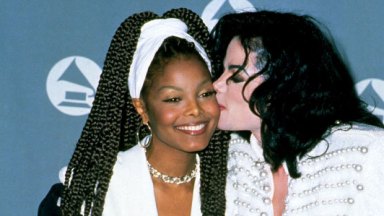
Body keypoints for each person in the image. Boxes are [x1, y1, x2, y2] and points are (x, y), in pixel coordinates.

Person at [38, 8, 229, 216]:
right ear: (141, 108)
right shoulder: (89, 193)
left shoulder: (240, 183)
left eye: (206, 94)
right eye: (174, 99)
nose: (195, 109)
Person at [210, 10, 384, 215]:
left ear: (281, 86)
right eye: (221, 72)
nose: (216, 85)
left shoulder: (369, 151)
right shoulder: (229, 155)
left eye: (236, 75)